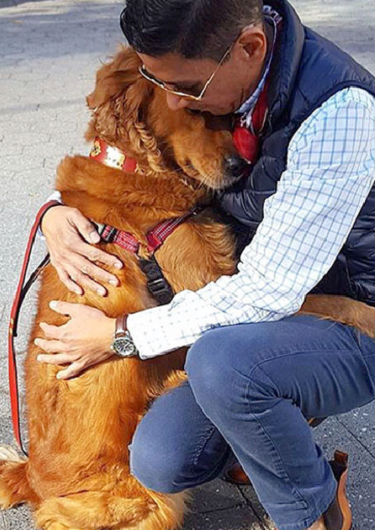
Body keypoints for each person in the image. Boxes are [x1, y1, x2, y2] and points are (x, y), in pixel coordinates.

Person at [33, 1, 375, 529]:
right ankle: (265, 435)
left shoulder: (338, 112)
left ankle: (314, 512)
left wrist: (121, 335)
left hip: (354, 321)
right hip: (266, 311)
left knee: (225, 364)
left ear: (250, 48)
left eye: (189, 92)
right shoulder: (225, 77)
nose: (171, 100)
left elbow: (266, 292)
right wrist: (57, 209)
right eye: (157, 81)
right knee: (161, 458)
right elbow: (124, 155)